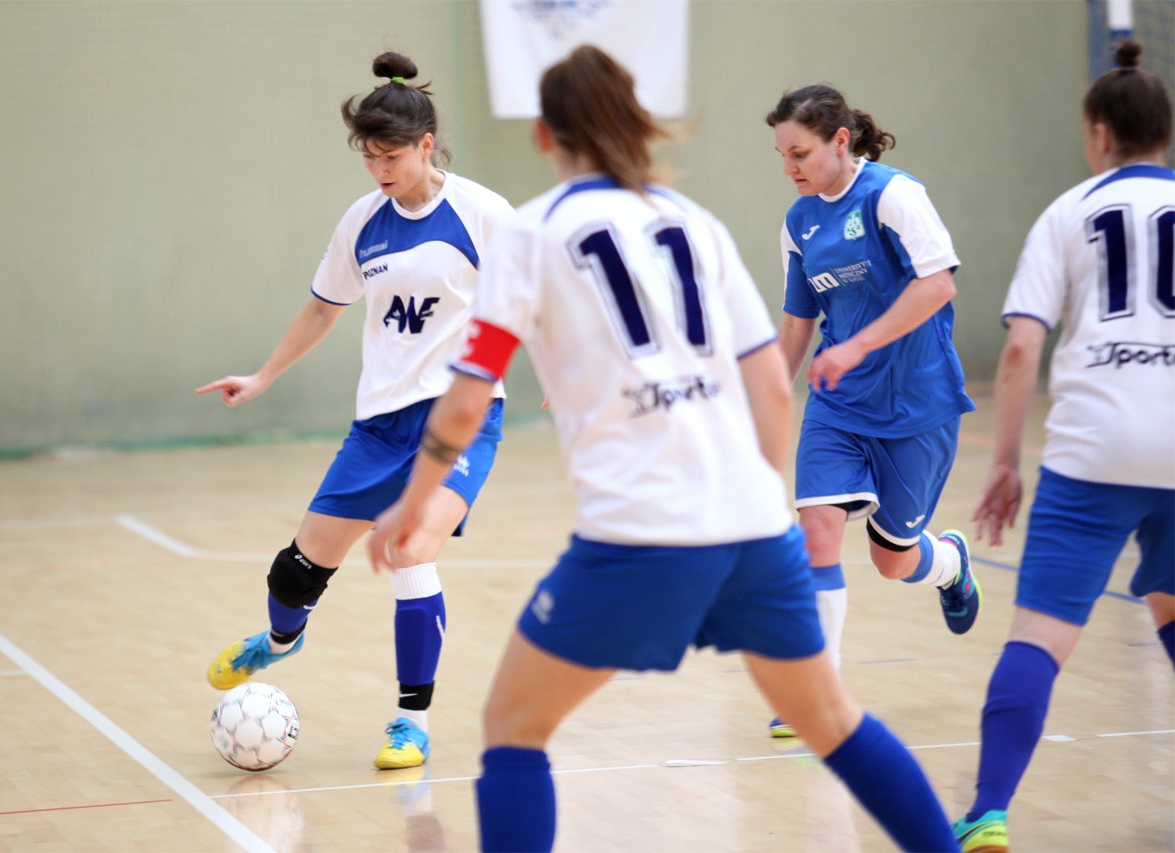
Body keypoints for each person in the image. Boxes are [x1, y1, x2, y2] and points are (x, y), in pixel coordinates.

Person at [368, 44, 959, 853]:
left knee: (511, 724)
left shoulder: (531, 233)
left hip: (636, 532)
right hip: (751, 527)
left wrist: (411, 502)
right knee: (834, 722)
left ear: (543, 136)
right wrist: (764, 508)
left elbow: (469, 396)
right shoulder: (693, 222)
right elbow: (772, 385)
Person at [196, 51, 515, 771]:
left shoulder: (484, 214)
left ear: (426, 145)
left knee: (411, 552)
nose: (379, 169)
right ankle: (280, 640)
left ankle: (411, 722)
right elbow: (322, 308)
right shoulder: (362, 222)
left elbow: (541, 291)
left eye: (391, 156)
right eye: (368, 157)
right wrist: (263, 375)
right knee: (293, 575)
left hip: (459, 417)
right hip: (378, 427)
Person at [952, 40, 1174, 853]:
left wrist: (1004, 462)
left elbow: (1020, 349)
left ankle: (988, 812)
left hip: (1094, 452)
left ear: (1098, 134)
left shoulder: (1068, 212)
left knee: (1039, 637)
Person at [764, 84, 981, 736]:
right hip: (839, 406)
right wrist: (767, 404)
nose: (790, 167)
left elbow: (937, 284)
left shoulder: (893, 196)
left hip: (918, 404)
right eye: (781, 155)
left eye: (800, 153)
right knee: (817, 531)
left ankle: (949, 564)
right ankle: (817, 694)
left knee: (894, 559)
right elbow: (797, 325)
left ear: (840, 140)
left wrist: (858, 344)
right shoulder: (800, 223)